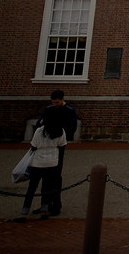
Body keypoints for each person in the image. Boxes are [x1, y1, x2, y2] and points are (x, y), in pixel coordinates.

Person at [38, 89, 77, 217]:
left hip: (58, 146)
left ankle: (56, 204)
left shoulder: (69, 110)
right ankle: (44, 204)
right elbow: (40, 123)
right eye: (53, 102)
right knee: (45, 176)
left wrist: (58, 133)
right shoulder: (49, 109)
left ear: (62, 99)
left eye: (57, 102)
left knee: (55, 176)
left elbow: (72, 128)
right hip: (46, 146)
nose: (55, 104)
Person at [19, 121, 66, 219]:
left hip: (38, 162)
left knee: (32, 187)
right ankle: (44, 211)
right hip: (52, 162)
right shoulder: (60, 131)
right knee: (46, 187)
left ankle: (24, 211)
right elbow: (62, 145)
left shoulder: (39, 131)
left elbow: (34, 146)